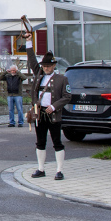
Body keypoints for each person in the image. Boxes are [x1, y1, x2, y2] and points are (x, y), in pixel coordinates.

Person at [26, 39, 71, 180]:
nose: (46, 68)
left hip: (54, 115)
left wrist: (54, 106)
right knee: (40, 142)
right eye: (44, 66)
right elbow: (32, 60)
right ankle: (41, 169)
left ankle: (59, 171)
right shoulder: (39, 75)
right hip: (40, 114)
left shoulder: (62, 79)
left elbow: (67, 96)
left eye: (48, 66)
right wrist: (29, 42)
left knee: (57, 142)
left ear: (54, 66)